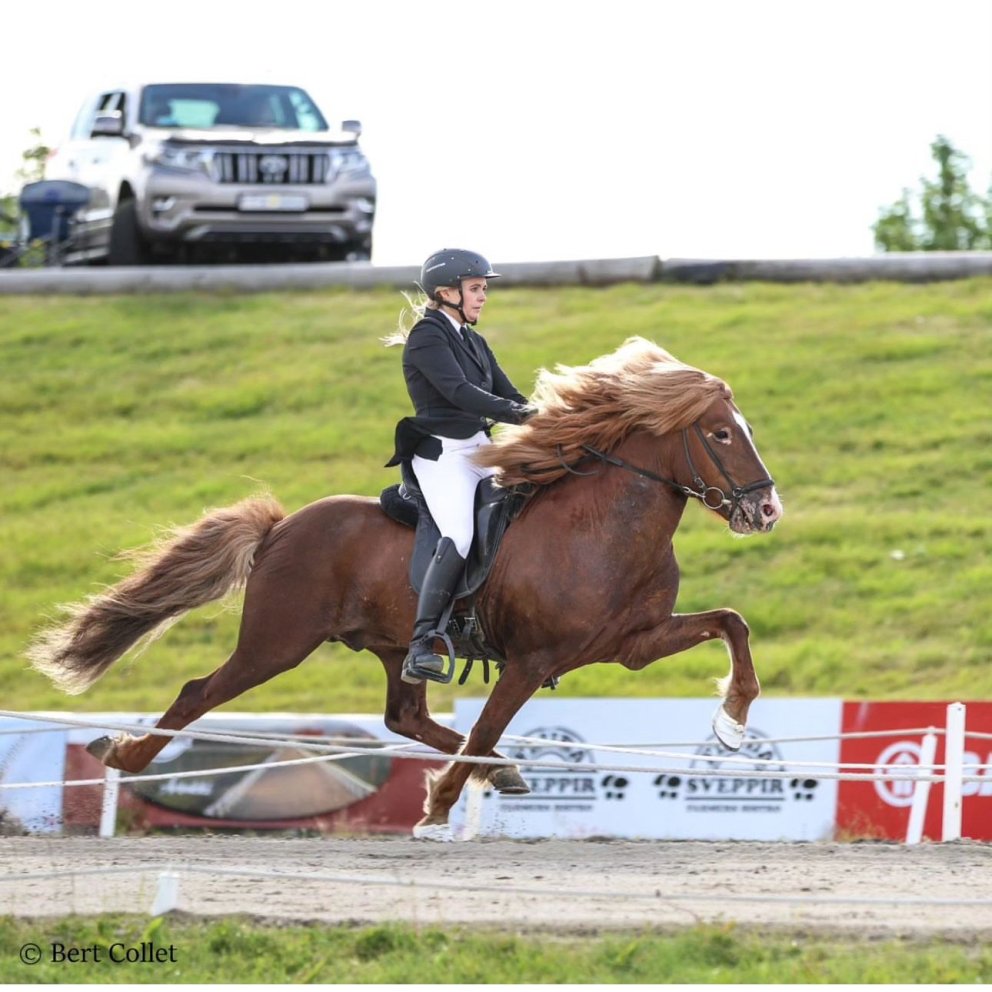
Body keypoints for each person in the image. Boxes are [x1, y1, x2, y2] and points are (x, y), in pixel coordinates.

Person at [385, 249, 536, 684]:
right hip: (441, 453)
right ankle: (422, 642)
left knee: (520, 514)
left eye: (484, 289)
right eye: (476, 288)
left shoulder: (474, 340)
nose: (483, 296)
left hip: (478, 449)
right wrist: (525, 417)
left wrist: (553, 417)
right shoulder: (427, 337)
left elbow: (509, 393)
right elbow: (460, 393)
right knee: (461, 533)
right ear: (445, 293)